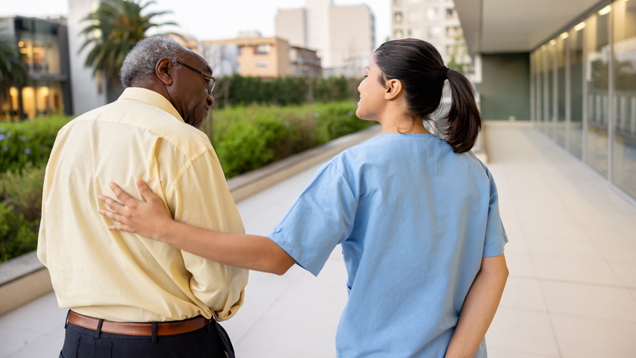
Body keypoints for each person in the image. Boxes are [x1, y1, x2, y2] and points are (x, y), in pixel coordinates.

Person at [98, 38, 509, 358]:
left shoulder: (356, 167)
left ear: (392, 88)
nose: (360, 83)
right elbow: (494, 274)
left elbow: (276, 258)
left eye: (368, 74)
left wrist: (164, 229)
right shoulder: (472, 170)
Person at [38, 37, 247, 358]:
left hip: (79, 341)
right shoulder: (184, 141)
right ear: (165, 70)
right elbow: (219, 268)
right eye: (206, 80)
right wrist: (218, 306)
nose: (211, 98)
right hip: (166, 343)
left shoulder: (70, 132)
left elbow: (49, 246)